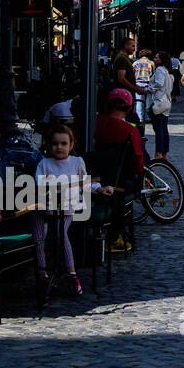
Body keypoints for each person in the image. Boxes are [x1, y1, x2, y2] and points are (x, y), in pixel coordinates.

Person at [34, 123, 114, 297]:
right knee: (38, 238)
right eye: (55, 143)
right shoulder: (44, 164)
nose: (59, 147)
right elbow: (39, 185)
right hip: (44, 207)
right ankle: (42, 274)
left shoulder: (77, 162)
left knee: (62, 236)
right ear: (48, 145)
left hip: (66, 207)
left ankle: (71, 274)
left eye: (63, 143)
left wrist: (100, 188)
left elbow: (85, 183)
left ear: (71, 145)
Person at [94, 88, 147, 177]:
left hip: (96, 171)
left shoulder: (96, 123)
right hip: (122, 176)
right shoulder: (131, 129)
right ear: (129, 109)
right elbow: (138, 158)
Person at [147, 52, 175, 160]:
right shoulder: (169, 72)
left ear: (162, 59)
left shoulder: (160, 70)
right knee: (163, 129)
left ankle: (158, 153)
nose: (154, 58)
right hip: (166, 103)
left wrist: (147, 89)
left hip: (158, 103)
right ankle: (164, 154)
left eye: (156, 57)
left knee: (159, 130)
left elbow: (158, 83)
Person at [132, 49, 155, 122]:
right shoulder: (151, 63)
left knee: (139, 102)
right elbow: (153, 74)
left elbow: (132, 74)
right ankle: (147, 117)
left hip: (138, 84)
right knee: (148, 102)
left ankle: (140, 118)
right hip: (148, 84)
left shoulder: (135, 63)